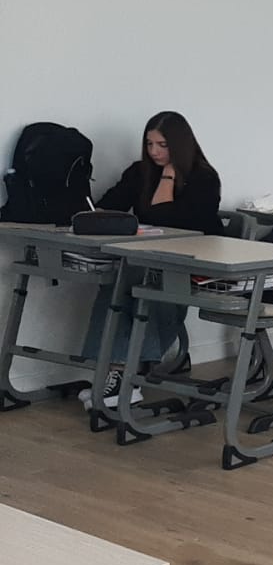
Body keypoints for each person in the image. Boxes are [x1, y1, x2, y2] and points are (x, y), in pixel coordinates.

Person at [79, 112, 223, 409]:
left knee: (137, 280)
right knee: (119, 281)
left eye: (162, 145)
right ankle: (118, 371)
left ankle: (124, 374)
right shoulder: (140, 172)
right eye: (149, 144)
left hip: (194, 264)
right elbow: (110, 205)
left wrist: (168, 176)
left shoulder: (204, 178)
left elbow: (165, 218)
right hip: (149, 259)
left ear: (180, 145)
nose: (154, 151)